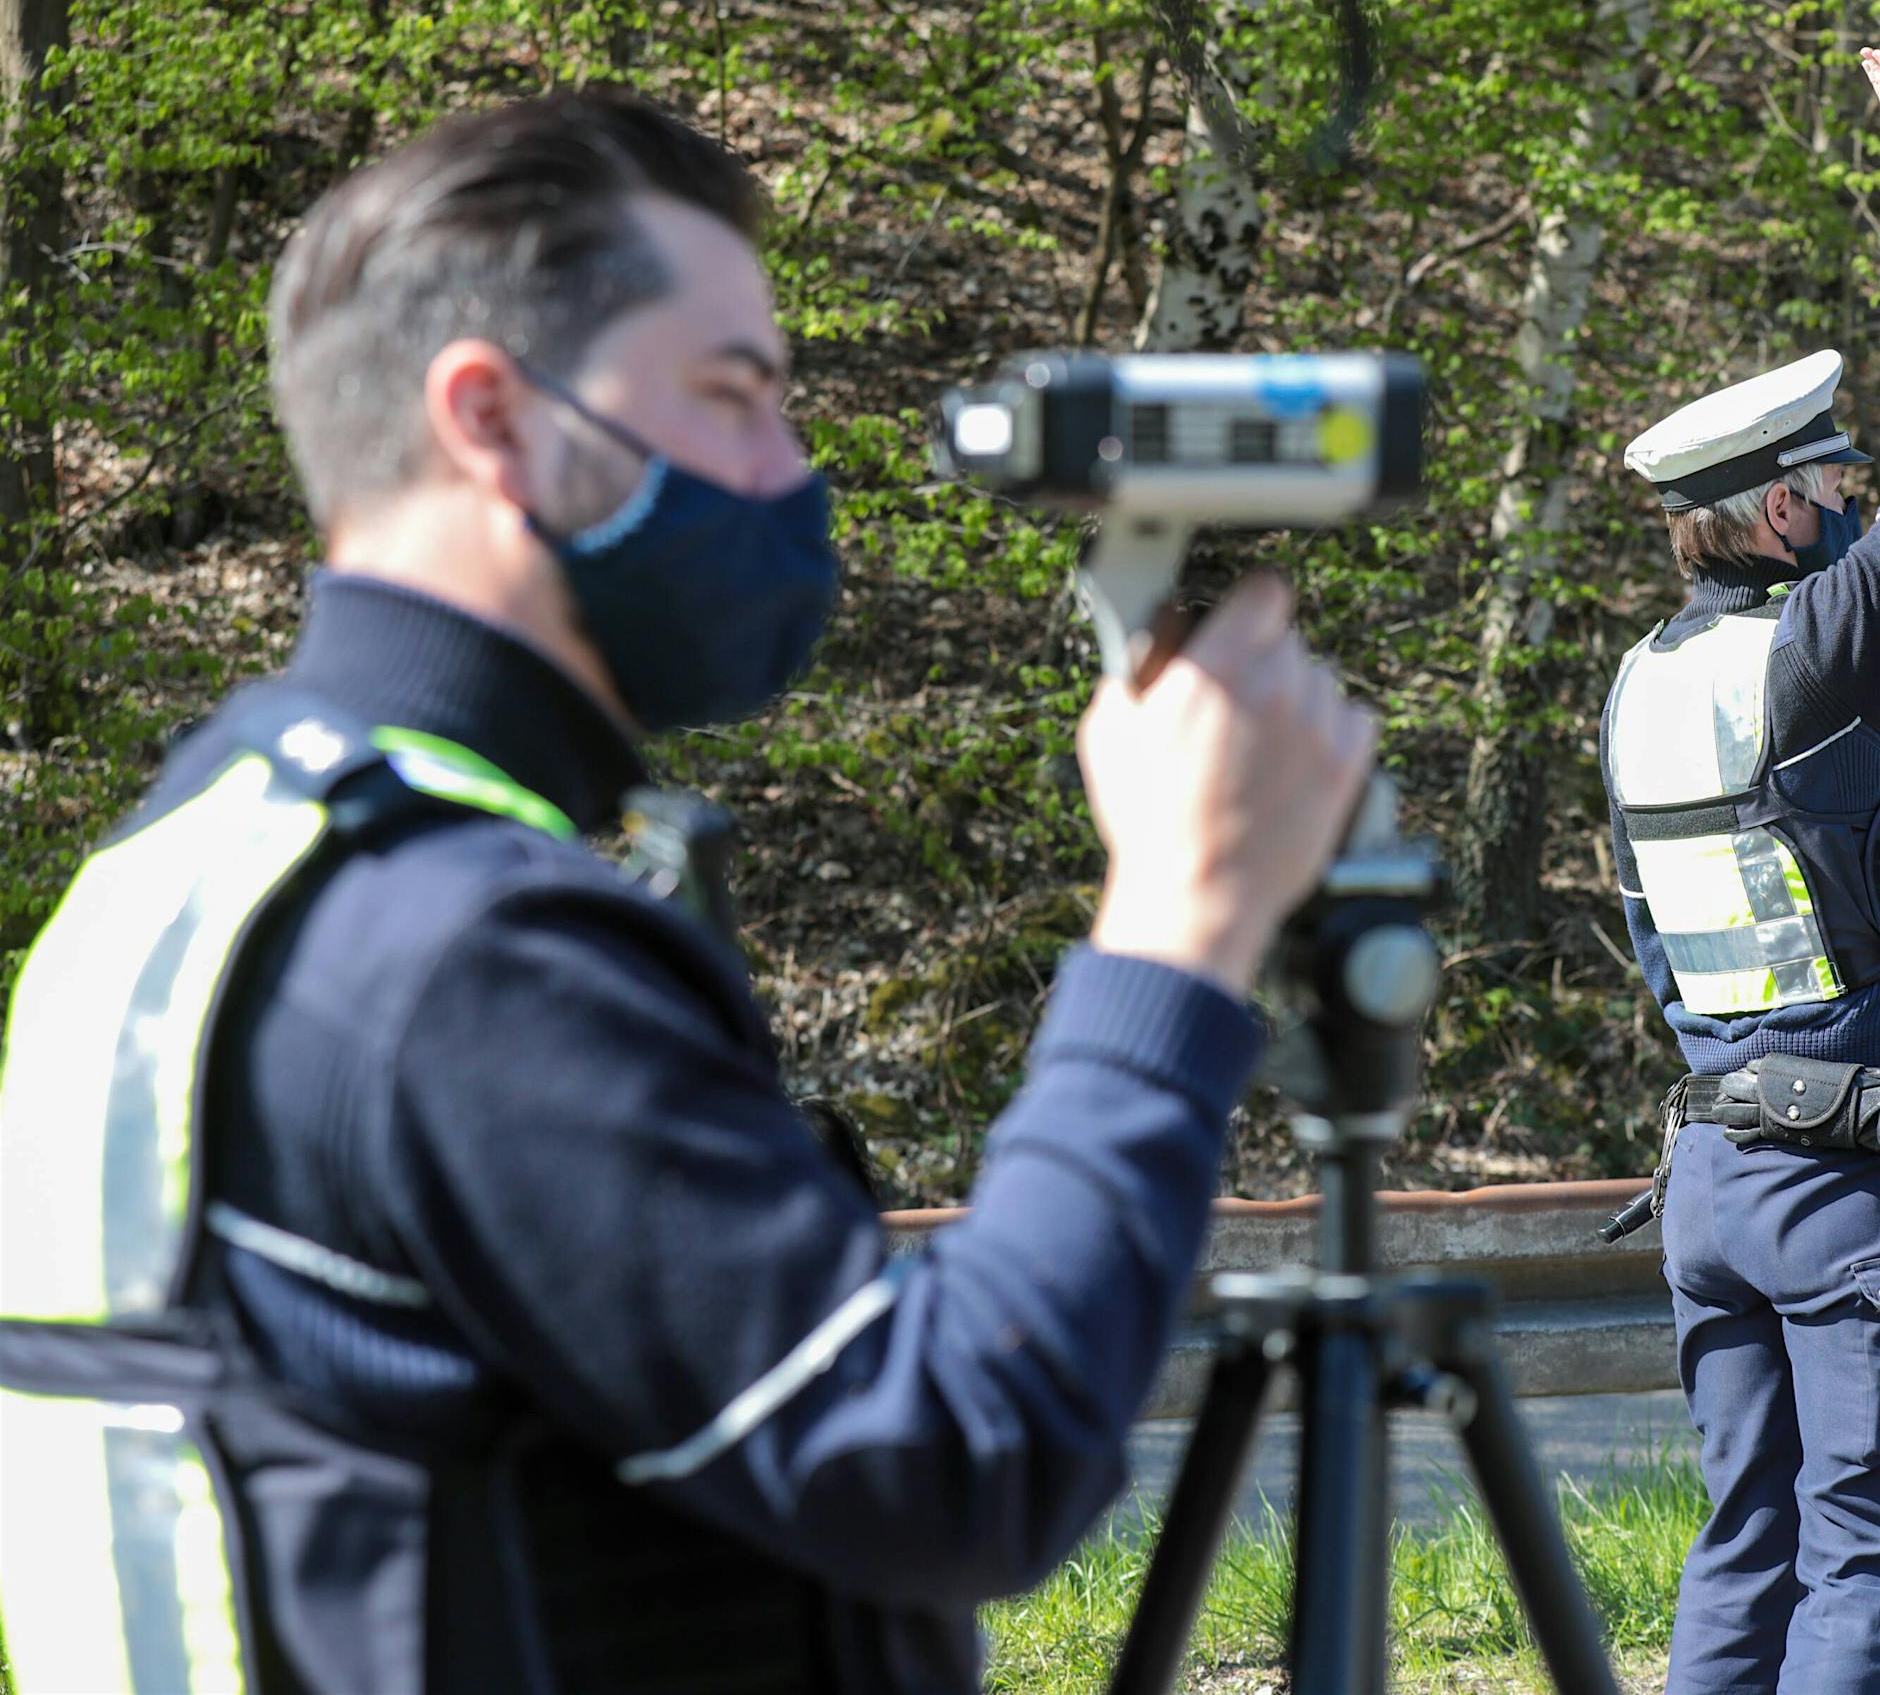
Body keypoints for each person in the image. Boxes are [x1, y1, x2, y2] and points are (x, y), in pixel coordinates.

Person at [0, 91, 1375, 1693]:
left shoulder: (196, 858)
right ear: (493, 418)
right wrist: (1184, 924)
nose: (790, 473)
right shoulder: (466, 956)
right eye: (736, 398)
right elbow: (958, 1460)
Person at [1601, 346, 1880, 1692]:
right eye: (1843, 484)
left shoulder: (1638, 687)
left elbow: (1654, 938)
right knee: (1863, 1546)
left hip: (1709, 1169)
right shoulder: (1812, 652)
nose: (1857, 510)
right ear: (1783, 512)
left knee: (1745, 1536)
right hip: (1841, 1175)